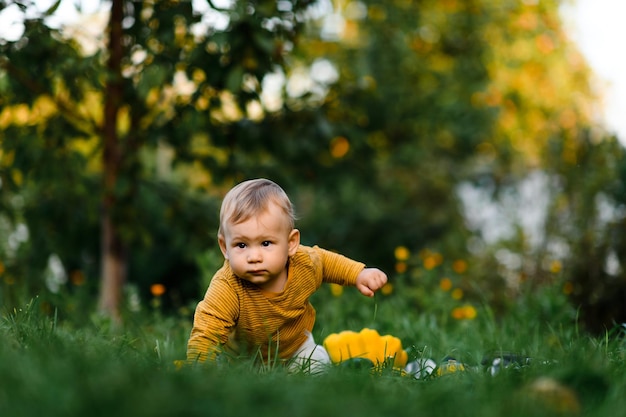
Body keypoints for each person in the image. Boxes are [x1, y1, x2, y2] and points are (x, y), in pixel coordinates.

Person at [187, 178, 388, 372]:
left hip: (296, 349)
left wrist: (359, 274)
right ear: (225, 247)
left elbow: (327, 263)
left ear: (291, 243)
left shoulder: (304, 263)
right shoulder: (228, 286)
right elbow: (207, 331)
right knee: (224, 375)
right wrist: (200, 370)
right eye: (241, 245)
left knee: (316, 366)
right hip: (241, 360)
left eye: (266, 243)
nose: (254, 256)